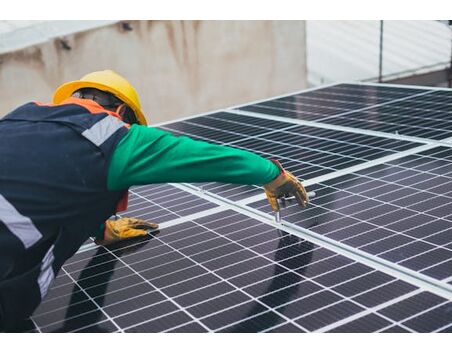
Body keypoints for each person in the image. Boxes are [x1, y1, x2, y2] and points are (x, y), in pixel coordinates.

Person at [0, 70, 308, 330]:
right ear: (123, 113)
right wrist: (273, 175)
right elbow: (205, 157)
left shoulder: (17, 118)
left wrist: (101, 229)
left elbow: (45, 180)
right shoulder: (115, 135)